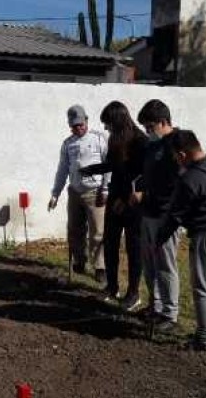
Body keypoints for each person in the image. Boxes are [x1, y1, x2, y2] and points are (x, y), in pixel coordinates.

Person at [157, 130, 206, 356]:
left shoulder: (190, 178)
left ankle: (204, 340)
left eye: (176, 157)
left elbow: (176, 215)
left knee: (202, 287)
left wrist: (159, 238)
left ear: (183, 154)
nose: (176, 161)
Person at [78, 101, 148, 307]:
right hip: (115, 199)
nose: (106, 128)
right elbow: (113, 165)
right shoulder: (116, 140)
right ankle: (112, 286)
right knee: (110, 244)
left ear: (117, 121)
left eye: (108, 124)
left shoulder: (140, 141)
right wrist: (91, 170)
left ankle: (133, 293)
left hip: (132, 203)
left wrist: (125, 201)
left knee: (134, 247)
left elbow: (140, 175)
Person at [133, 99, 181, 331]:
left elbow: (178, 182)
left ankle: (170, 314)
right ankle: (156, 304)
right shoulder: (153, 146)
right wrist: (140, 188)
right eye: (145, 128)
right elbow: (147, 175)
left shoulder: (177, 144)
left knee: (165, 265)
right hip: (148, 213)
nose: (147, 132)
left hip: (166, 216)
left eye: (150, 127)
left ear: (163, 122)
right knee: (149, 263)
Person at [49, 105, 109, 282]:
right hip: (75, 192)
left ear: (87, 121)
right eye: (74, 126)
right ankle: (79, 260)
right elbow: (62, 169)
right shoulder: (68, 144)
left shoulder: (99, 138)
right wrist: (55, 193)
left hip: (95, 192)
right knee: (75, 229)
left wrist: (105, 188)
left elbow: (108, 165)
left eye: (81, 124)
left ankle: (100, 266)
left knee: (98, 231)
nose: (78, 128)